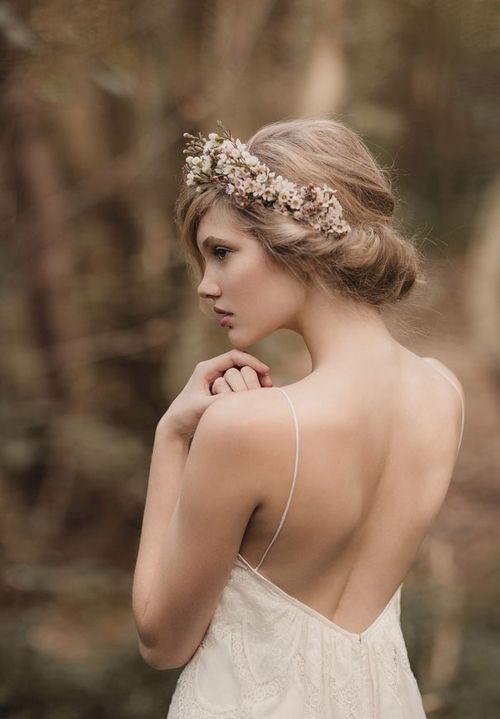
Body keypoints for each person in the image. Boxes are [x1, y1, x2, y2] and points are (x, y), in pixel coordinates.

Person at [132, 119, 465, 718]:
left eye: (223, 253)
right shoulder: (443, 392)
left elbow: (161, 642)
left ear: (299, 239)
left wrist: (172, 438)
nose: (206, 286)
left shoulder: (247, 428)